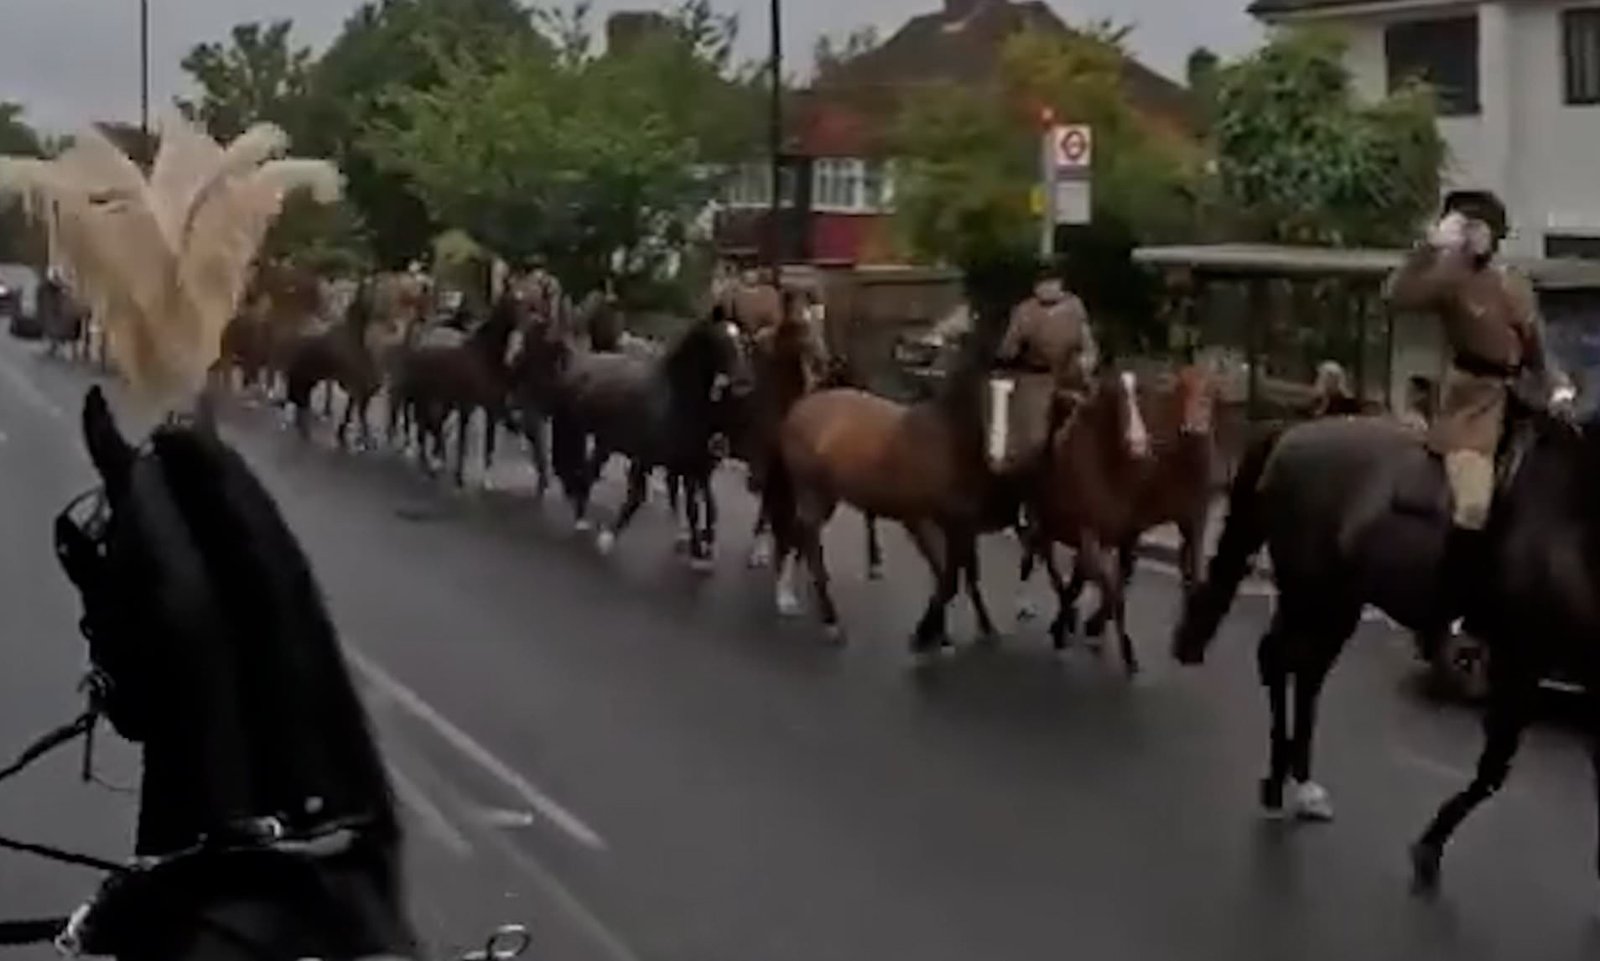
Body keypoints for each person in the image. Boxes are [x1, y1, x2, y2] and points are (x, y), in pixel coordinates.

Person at [1384, 190, 1551, 606]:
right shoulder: (1449, 280)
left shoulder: (1513, 282)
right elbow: (1398, 296)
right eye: (1468, 227)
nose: (1477, 236)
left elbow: (1535, 346)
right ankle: (1453, 603)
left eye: (1483, 228)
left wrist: (1556, 384)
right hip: (1473, 407)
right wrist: (1429, 249)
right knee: (1473, 506)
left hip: (1524, 402)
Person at [995, 266, 1098, 391]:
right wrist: (1007, 356)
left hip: (1070, 373)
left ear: (1060, 284)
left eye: (1051, 282)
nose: (1047, 288)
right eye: (1042, 283)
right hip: (1036, 373)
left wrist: (1087, 365)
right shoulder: (1025, 310)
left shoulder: (1074, 305)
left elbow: (1087, 340)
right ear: (1035, 287)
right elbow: (1009, 347)